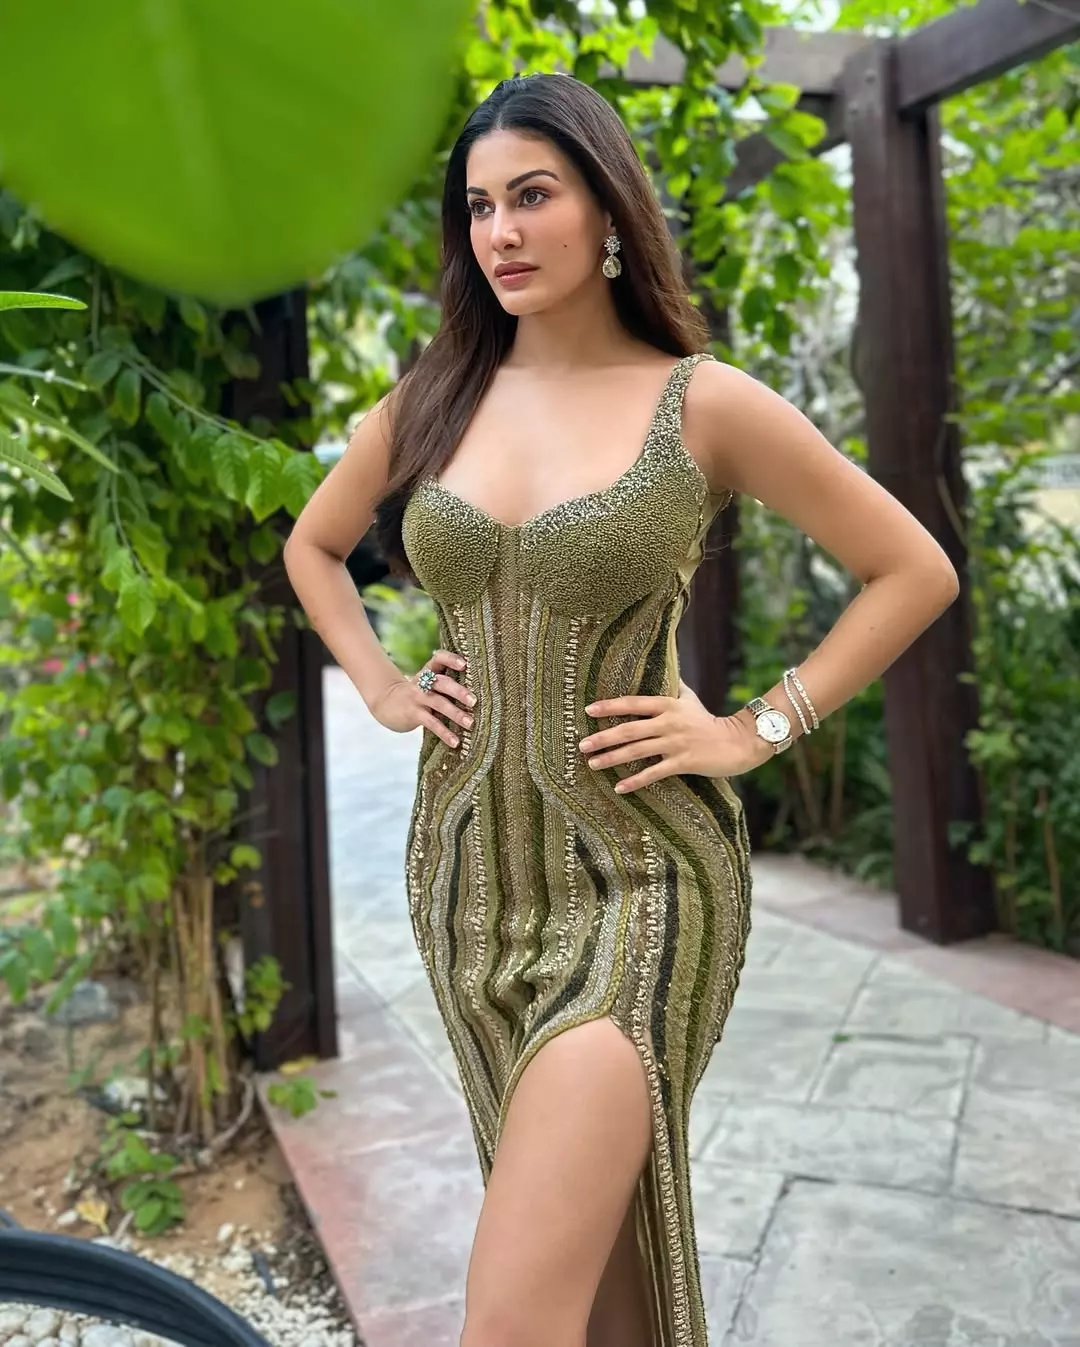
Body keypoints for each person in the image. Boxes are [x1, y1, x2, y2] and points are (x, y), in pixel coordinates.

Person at [283, 71, 958, 1347]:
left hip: (644, 880)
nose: (501, 232)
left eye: (533, 195)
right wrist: (382, 684)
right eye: (479, 206)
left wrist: (754, 728)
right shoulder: (433, 399)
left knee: (510, 1316)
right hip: (467, 885)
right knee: (593, 1284)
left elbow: (914, 569)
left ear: (607, 209)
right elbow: (313, 547)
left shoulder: (698, 402)